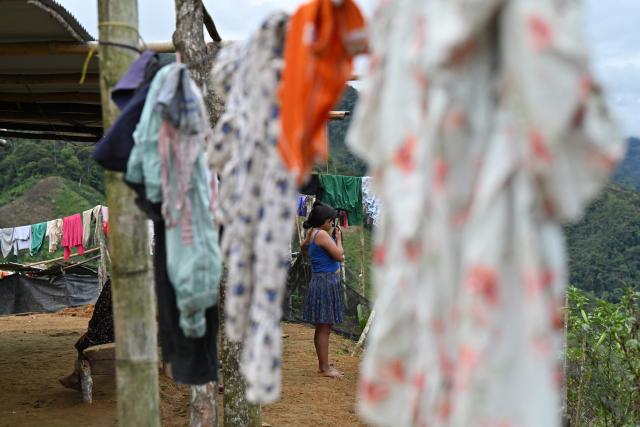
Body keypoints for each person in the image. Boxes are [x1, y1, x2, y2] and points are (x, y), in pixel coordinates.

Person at [301, 202, 345, 379]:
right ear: (325, 221)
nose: (332, 224)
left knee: (323, 326)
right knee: (324, 327)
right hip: (326, 282)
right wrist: (339, 240)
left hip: (320, 280)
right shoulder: (322, 235)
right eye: (331, 221)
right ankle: (324, 367)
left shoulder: (312, 233)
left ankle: (324, 363)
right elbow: (339, 256)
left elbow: (304, 247)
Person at [59, 280, 114, 391]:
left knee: (82, 343)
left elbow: (101, 312)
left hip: (113, 332)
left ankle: (78, 376)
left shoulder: (113, 284)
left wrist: (91, 331)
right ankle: (76, 376)